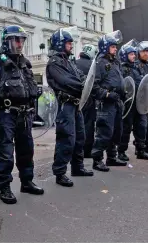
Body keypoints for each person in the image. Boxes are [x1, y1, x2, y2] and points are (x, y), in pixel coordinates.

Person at [0, 25, 44, 203]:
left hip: (24, 115)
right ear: (7, 41)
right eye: (16, 40)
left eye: (22, 40)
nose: (20, 43)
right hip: (6, 114)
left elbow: (30, 88)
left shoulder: (24, 64)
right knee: (5, 153)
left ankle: (27, 181)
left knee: (26, 151)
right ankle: (5, 187)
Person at [46, 28, 95, 187]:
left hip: (76, 104)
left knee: (80, 137)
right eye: (68, 43)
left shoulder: (69, 61)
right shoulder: (54, 63)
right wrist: (83, 85)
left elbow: (80, 76)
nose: (71, 46)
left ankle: (77, 167)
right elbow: (66, 81)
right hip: (65, 105)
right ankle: (60, 173)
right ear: (60, 44)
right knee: (66, 138)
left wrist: (85, 82)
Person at [91, 30, 128, 172]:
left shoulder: (115, 62)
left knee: (116, 131)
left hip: (117, 101)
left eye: (115, 46)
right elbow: (94, 85)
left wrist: (122, 92)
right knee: (104, 132)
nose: (115, 48)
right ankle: (97, 159)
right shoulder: (100, 62)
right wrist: (106, 94)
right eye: (112, 46)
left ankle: (111, 157)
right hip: (106, 103)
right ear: (105, 47)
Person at [117, 39, 148, 160]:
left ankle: (141, 150)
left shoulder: (138, 68)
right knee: (126, 129)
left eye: (134, 54)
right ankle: (121, 152)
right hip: (129, 103)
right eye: (131, 54)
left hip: (139, 103)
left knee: (141, 127)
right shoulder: (122, 69)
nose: (134, 56)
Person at [75, 44, 98, 159]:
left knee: (77, 125)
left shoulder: (74, 63)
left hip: (75, 100)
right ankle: (87, 150)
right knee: (88, 126)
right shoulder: (92, 65)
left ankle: (77, 150)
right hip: (89, 100)